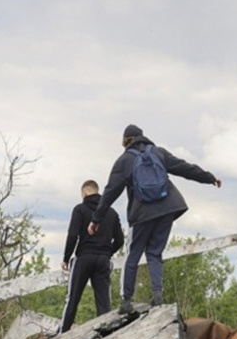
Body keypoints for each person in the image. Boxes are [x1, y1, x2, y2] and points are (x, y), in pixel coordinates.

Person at [89, 124, 222, 313]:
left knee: (133, 254)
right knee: (154, 253)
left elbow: (110, 192)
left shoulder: (124, 160)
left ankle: (126, 301)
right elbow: (185, 168)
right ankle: (157, 294)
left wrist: (96, 219)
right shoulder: (159, 152)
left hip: (142, 213)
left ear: (125, 141)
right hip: (168, 208)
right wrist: (209, 178)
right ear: (142, 137)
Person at [59, 179, 124, 333]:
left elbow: (73, 235)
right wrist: (107, 252)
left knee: (72, 298)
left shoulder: (79, 209)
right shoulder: (112, 212)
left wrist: (66, 258)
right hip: (103, 259)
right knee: (103, 301)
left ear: (85, 192)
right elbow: (120, 239)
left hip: (83, 258)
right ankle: (107, 333)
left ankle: (63, 332)